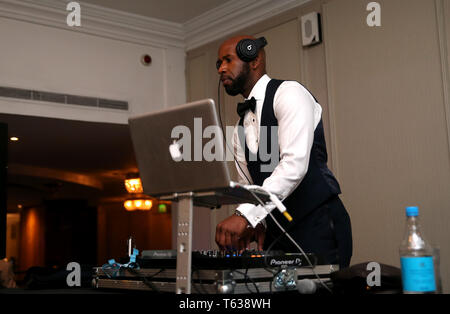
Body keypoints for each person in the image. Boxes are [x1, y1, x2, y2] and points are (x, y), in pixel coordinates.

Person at [214, 35, 353, 268]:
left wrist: (244, 216)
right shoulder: (240, 127)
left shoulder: (289, 93)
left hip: (317, 224)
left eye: (228, 60)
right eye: (218, 63)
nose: (221, 69)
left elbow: (293, 165)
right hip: (276, 235)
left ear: (254, 59)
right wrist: (254, 222)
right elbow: (248, 187)